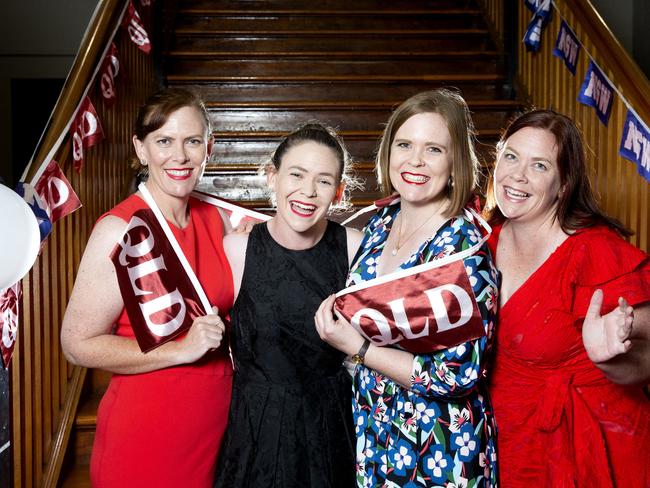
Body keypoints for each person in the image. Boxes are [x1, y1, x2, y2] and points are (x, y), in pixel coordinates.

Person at [315, 89, 499, 487]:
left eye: (433, 149)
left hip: (438, 443)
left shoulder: (464, 246)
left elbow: (459, 376)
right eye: (404, 144)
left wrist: (359, 350)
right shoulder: (381, 223)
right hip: (376, 428)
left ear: (455, 163)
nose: (415, 160)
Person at [61, 88, 234, 487]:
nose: (180, 156)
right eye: (164, 141)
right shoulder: (120, 229)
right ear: (141, 149)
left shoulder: (217, 219)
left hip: (216, 433)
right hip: (148, 435)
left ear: (209, 147)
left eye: (192, 141)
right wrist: (180, 349)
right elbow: (77, 344)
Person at [484, 109, 650, 487]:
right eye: (511, 156)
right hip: (506, 440)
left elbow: (646, 359)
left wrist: (611, 357)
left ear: (563, 184)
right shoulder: (480, 240)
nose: (518, 175)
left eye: (539, 166)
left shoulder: (597, 252)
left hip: (596, 448)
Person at [214, 123, 363, 488]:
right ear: (272, 177)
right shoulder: (237, 249)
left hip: (330, 427)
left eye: (324, 181)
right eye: (297, 174)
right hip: (254, 429)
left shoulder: (355, 247)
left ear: (339, 192)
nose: (308, 191)